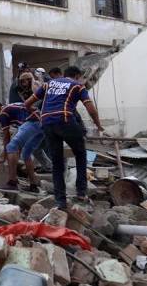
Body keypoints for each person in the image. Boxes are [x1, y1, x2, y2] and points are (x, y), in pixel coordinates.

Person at [24, 66, 104, 209]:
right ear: (77, 76)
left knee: (57, 163)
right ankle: (81, 192)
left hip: (47, 123)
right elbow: (90, 109)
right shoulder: (77, 86)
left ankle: (60, 201)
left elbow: (27, 103)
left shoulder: (49, 84)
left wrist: (37, 114)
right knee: (80, 153)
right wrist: (99, 126)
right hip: (65, 119)